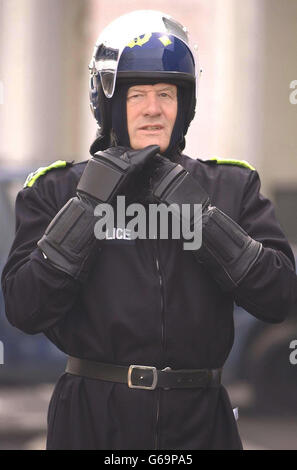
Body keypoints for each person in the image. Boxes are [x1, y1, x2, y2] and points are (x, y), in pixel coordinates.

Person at [1, 10, 297, 450]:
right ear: (108, 103)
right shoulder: (56, 188)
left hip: (201, 422)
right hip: (93, 420)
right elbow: (24, 308)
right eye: (137, 94)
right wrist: (86, 206)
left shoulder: (232, 186)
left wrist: (202, 217)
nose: (154, 108)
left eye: (166, 93)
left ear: (185, 106)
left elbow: (278, 297)